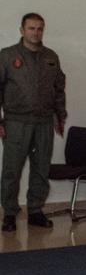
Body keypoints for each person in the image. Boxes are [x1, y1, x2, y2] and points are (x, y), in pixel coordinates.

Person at [0, 13, 66, 231]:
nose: (36, 33)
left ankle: (35, 211)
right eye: (31, 28)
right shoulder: (8, 56)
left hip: (44, 122)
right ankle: (10, 214)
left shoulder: (51, 57)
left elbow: (59, 88)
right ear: (22, 30)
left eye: (39, 28)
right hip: (16, 122)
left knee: (41, 168)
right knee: (12, 170)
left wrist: (60, 115)